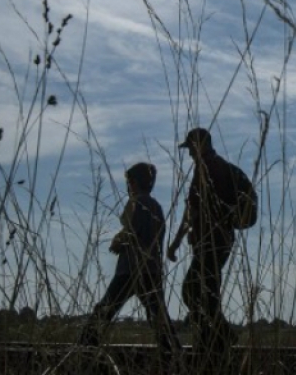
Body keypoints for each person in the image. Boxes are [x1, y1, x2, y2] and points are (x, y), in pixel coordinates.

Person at [78, 162, 179, 366]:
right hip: (151, 268)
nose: (127, 186)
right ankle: (172, 350)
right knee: (157, 314)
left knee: (105, 308)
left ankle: (86, 346)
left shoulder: (137, 203)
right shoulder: (155, 206)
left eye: (129, 182)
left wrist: (118, 242)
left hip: (131, 268)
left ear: (134, 182)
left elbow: (132, 233)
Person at [168, 127, 239, 368]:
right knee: (207, 293)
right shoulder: (218, 166)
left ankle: (219, 337)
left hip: (211, 242)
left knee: (191, 290)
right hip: (220, 240)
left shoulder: (206, 169)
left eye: (190, 148)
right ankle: (212, 339)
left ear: (201, 145)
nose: (188, 154)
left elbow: (192, 211)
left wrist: (176, 242)